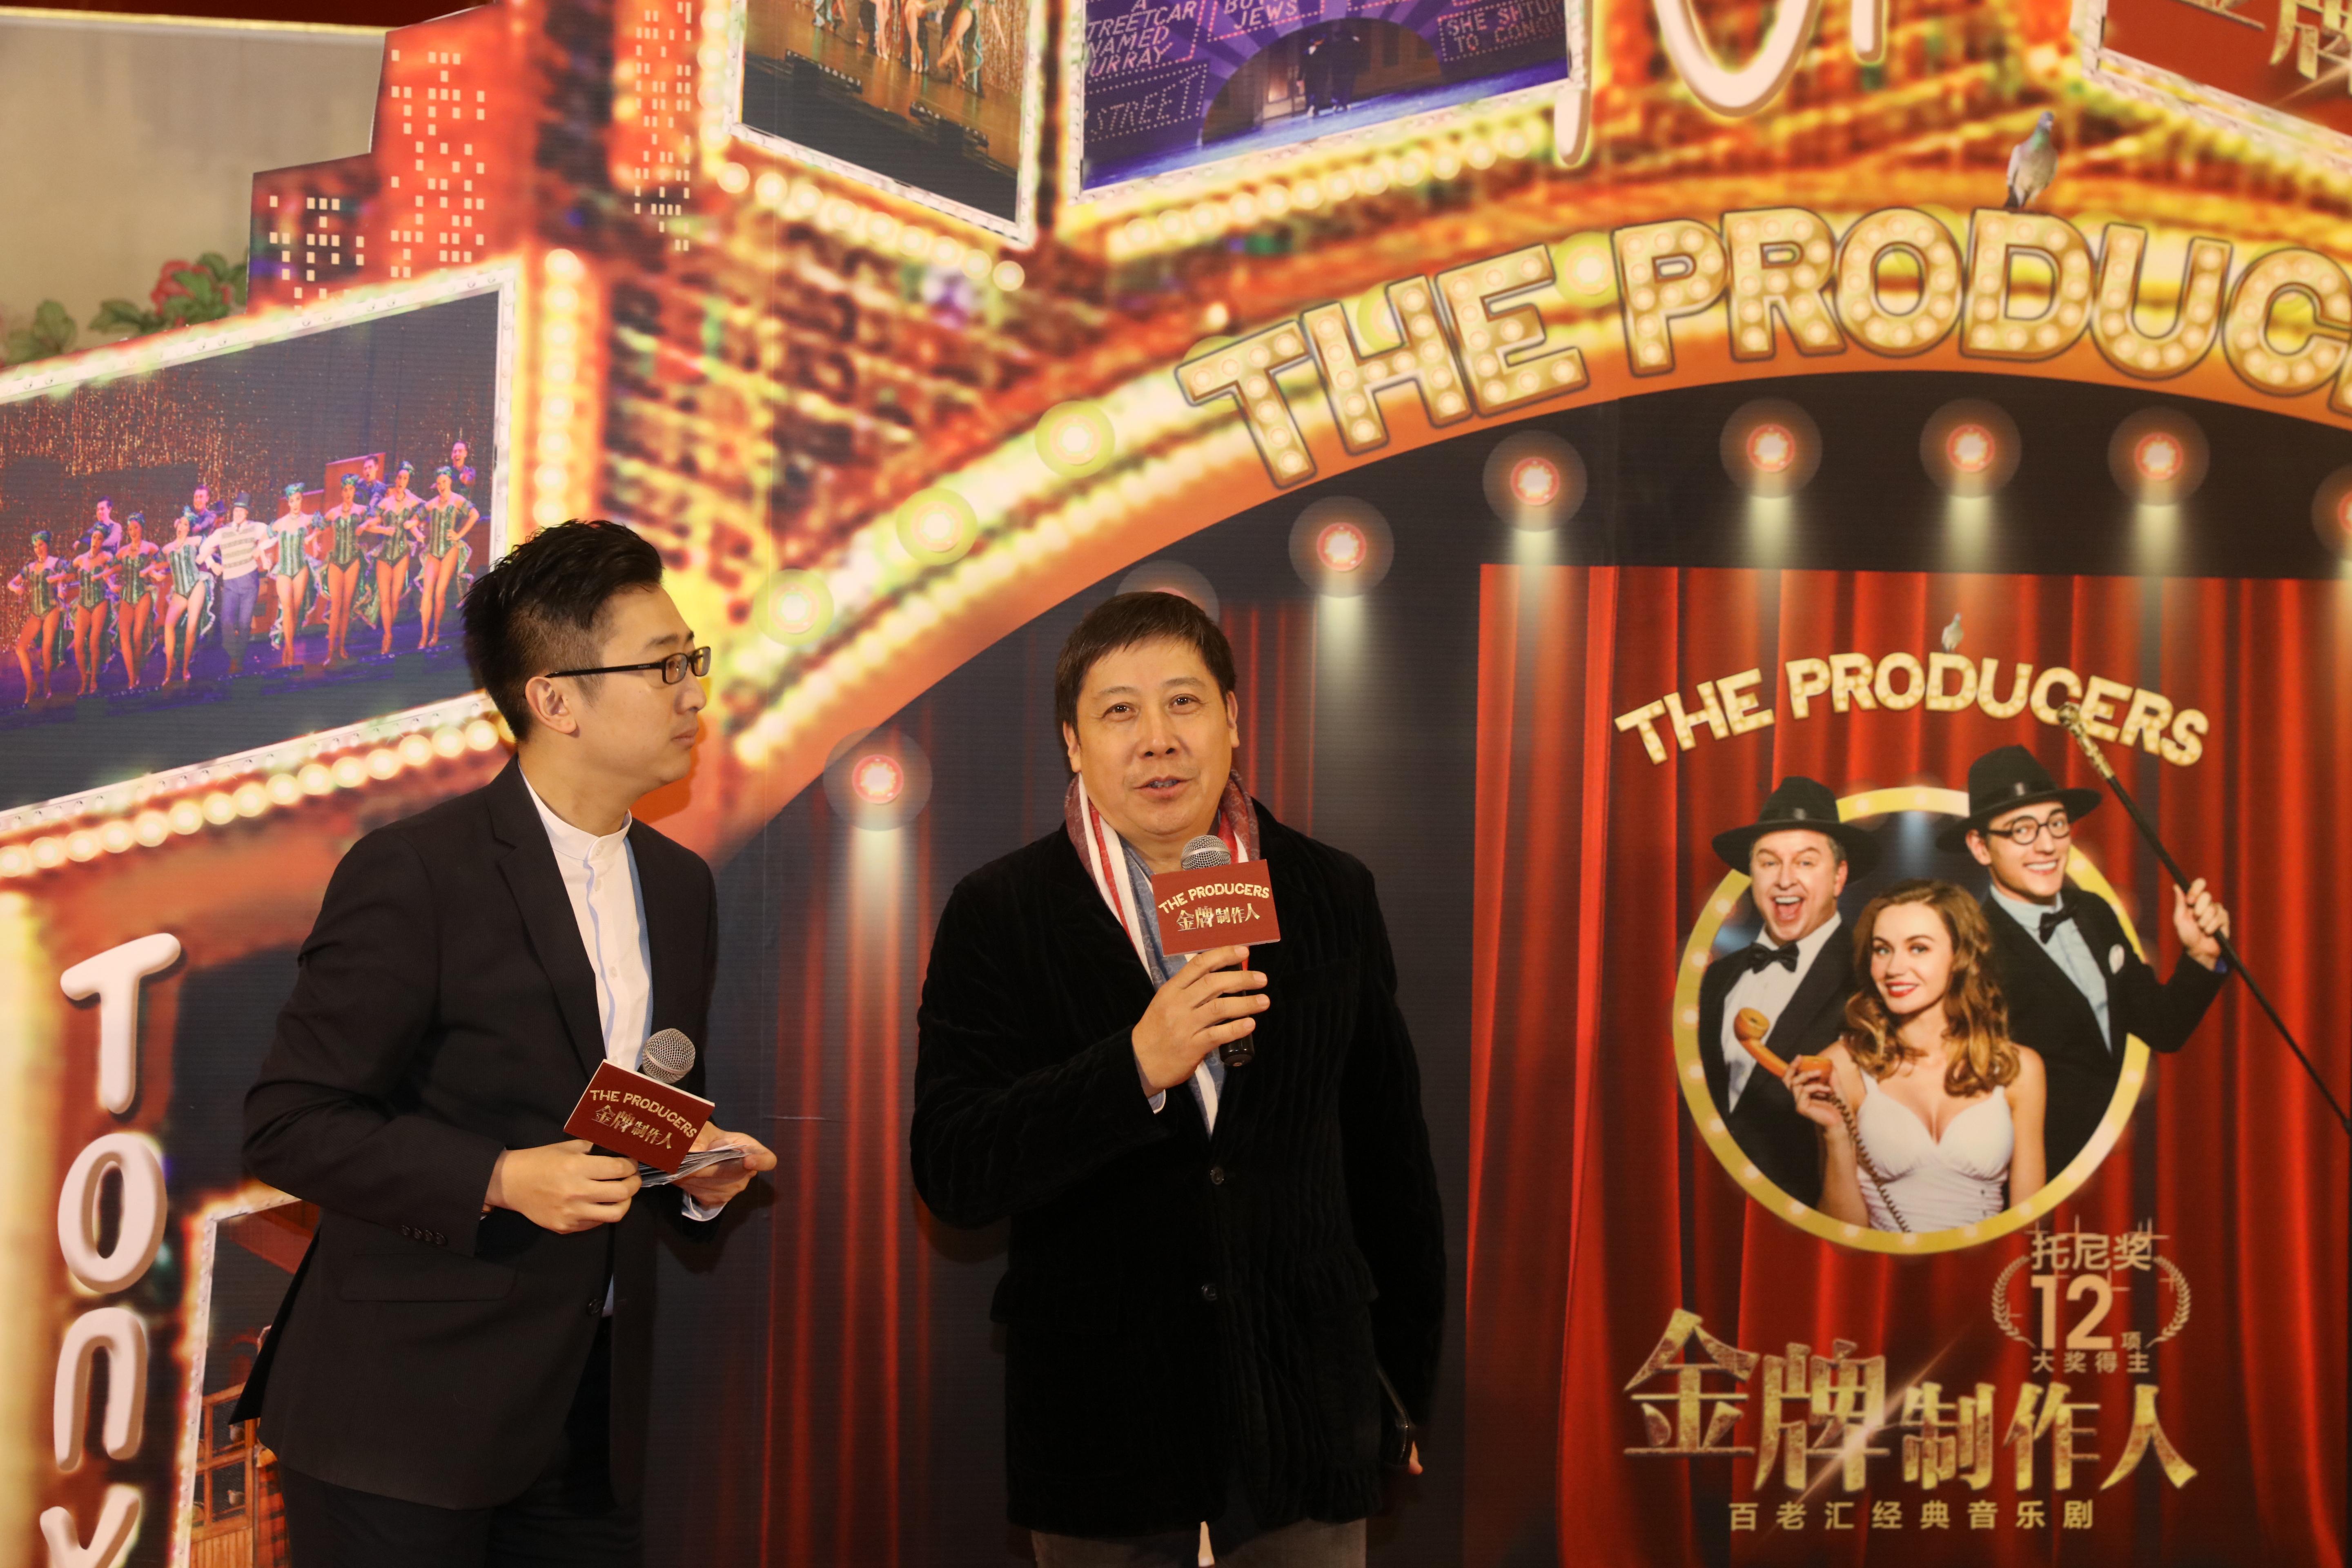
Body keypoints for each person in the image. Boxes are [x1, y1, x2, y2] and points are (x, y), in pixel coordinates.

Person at [237, 519, 775, 1567]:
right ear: (555, 699)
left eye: (692, 660)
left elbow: (631, 1102)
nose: (693, 694)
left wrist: (694, 1169)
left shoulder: (680, 886)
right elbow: (289, 1125)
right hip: (401, 1419)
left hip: (587, 1417)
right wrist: (498, 1177)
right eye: (662, 666)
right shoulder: (418, 872)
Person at [911, 590, 1444, 1568]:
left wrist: (1399, 1393)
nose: (1156, 738)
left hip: (1303, 1424)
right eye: (1119, 711)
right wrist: (1132, 1068)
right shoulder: (1002, 911)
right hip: (1105, 1434)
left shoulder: (1329, 891)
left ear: (1232, 719)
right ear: (1073, 744)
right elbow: (955, 1166)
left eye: (1183, 703)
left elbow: (1391, 1167)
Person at [1942, 745, 2230, 1176]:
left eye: (2057, 824)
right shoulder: (1970, 948)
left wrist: (2202, 956)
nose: (2048, 845)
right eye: (2022, 830)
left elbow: (2163, 1028)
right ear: (1981, 848)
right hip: (2036, 1177)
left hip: (2115, 1165)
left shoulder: (2095, 912)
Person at [1792, 880, 2047, 1233]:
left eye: (1918, 948)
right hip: (1880, 1266)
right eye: (1883, 950)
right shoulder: (1842, 1065)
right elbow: (1842, 1233)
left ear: (1961, 957)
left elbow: (2031, 1226)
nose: (1894, 968)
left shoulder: (2018, 1068)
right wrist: (1835, 1135)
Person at [1694, 776, 1880, 1208]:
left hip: (1811, 1220)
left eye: (1805, 862)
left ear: (1839, 877)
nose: (1784, 880)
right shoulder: (1718, 978)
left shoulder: (1871, 978)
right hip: (1713, 1212)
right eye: (1769, 862)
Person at [198, 493, 271, 675]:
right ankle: (233, 656)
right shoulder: (223, 532)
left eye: (241, 511)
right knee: (227, 622)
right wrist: (212, 564)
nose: (238, 514)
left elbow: (272, 533)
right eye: (236, 511)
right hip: (231, 583)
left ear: (247, 513)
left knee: (245, 624)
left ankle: (238, 660)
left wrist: (260, 548)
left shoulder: (255, 527)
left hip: (249, 582)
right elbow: (204, 547)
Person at [416, 465, 480, 651]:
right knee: (427, 593)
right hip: (433, 550)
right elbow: (416, 519)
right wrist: (415, 530)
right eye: (438, 483)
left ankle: (436, 632)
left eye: (444, 482)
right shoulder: (432, 503)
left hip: (450, 549)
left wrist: (459, 535)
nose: (441, 486)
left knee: (439, 593)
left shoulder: (457, 500)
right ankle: (424, 635)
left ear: (450, 482)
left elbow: (475, 515)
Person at [364, 461, 423, 657]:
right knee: (385, 598)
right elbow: (369, 525)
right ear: (395, 479)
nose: (401, 481)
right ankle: (388, 635)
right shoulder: (385, 503)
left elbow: (425, 513)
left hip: (401, 553)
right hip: (385, 553)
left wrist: (415, 526)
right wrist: (383, 530)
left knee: (394, 597)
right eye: (399, 478)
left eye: (405, 479)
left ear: (408, 481)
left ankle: (388, 632)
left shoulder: (412, 502)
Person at [8, 530, 67, 703]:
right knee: (20, 648)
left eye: (40, 545)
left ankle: (47, 686)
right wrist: (17, 588)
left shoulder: (55, 563)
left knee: (46, 649)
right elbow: (11, 583)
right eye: (35, 546)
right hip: (36, 612)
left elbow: (65, 577)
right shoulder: (31, 567)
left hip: (51, 609)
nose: (38, 549)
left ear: (47, 545)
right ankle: (31, 685)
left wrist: (61, 589)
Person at [317, 474, 368, 665]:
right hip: (336, 562)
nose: (348, 493)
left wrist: (367, 525)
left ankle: (342, 647)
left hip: (353, 561)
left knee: (347, 606)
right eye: (345, 490)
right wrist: (313, 540)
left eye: (351, 489)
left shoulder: (361, 510)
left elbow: (376, 519)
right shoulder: (333, 513)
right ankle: (330, 651)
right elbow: (320, 527)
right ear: (342, 492)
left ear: (355, 491)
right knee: (336, 606)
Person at [265, 484, 314, 669]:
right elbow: (264, 540)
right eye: (292, 501)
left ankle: (289, 643)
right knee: (287, 609)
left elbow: (326, 523)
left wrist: (314, 539)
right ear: (288, 503)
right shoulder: (280, 523)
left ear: (302, 500)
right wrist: (265, 556)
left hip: (301, 568)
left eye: (298, 500)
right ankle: (290, 648)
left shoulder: (308, 519)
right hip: (284, 570)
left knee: (295, 609)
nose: (295, 504)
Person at [65, 522, 115, 697]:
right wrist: (61, 586)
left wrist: (112, 584)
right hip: (84, 604)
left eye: (100, 539)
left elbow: (114, 570)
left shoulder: (106, 557)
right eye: (94, 537)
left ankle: (93, 678)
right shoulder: (80, 559)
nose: (96, 541)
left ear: (103, 542)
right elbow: (67, 573)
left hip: (100, 601)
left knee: (94, 642)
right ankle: (84, 679)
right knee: (78, 644)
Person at [160, 508, 210, 684]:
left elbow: (212, 545)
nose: (182, 527)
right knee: (168, 625)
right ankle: (170, 666)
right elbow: (159, 566)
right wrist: (155, 574)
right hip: (180, 591)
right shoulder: (167, 549)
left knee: (191, 627)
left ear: (190, 528)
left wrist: (207, 559)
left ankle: (186, 668)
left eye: (186, 524)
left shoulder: (195, 541)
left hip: (196, 585)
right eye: (180, 523)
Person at [116, 512, 161, 688]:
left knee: (137, 636)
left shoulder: (150, 547)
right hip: (127, 595)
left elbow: (164, 563)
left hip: (143, 593)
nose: (133, 532)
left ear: (142, 528)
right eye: (130, 529)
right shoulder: (123, 551)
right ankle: (132, 677)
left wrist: (152, 571)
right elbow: (108, 567)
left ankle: (137, 669)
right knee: (124, 636)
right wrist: (111, 584)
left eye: (136, 528)